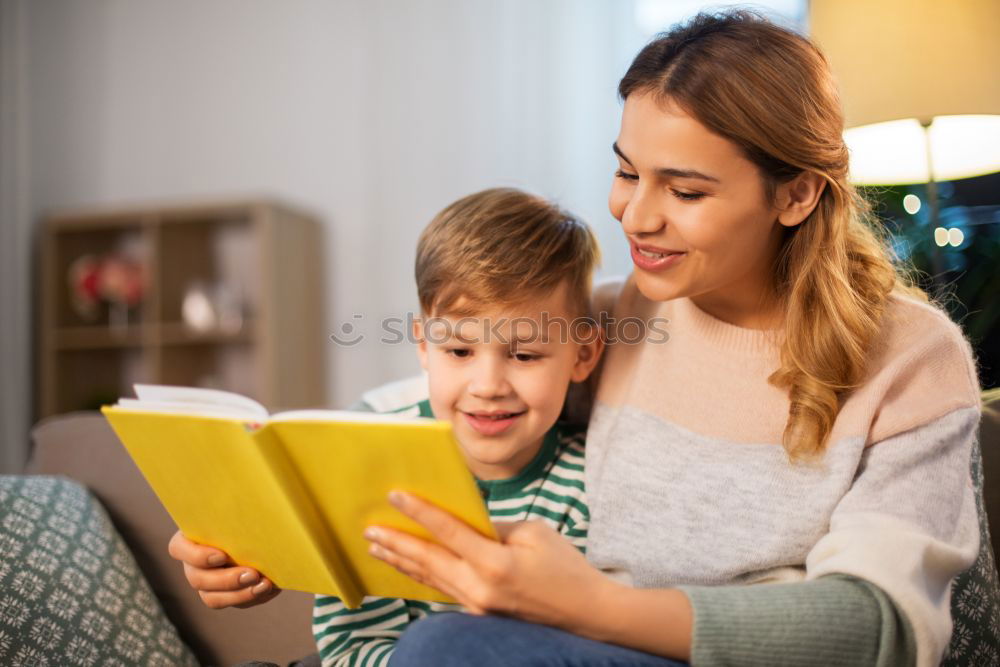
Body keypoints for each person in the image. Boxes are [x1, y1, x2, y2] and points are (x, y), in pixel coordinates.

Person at [172, 11, 981, 666]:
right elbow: (439, 391)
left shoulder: (910, 358)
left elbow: (884, 628)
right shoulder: (613, 318)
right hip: (569, 645)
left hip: (648, 642)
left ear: (797, 193)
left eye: (685, 189)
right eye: (628, 171)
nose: (634, 213)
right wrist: (266, 510)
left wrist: (594, 606)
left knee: (448, 647)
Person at [175, 187, 614, 666]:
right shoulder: (372, 457)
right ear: (424, 345)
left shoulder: (591, 480)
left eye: (525, 355)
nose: (488, 386)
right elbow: (352, 642)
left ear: (582, 355)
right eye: (460, 352)